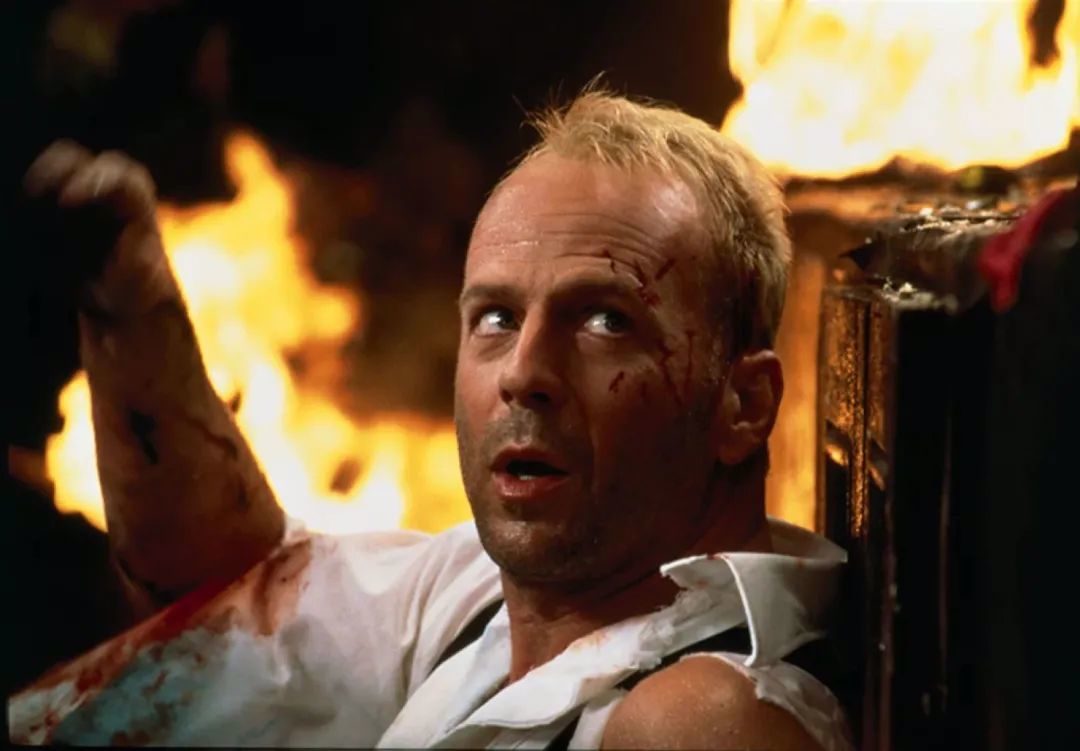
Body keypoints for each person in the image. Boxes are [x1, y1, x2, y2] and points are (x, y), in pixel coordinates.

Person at [10, 90, 852, 750]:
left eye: (605, 320)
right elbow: (233, 583)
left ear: (744, 405)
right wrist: (128, 302)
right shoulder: (481, 597)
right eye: (496, 317)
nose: (523, 372)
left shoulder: (695, 718)